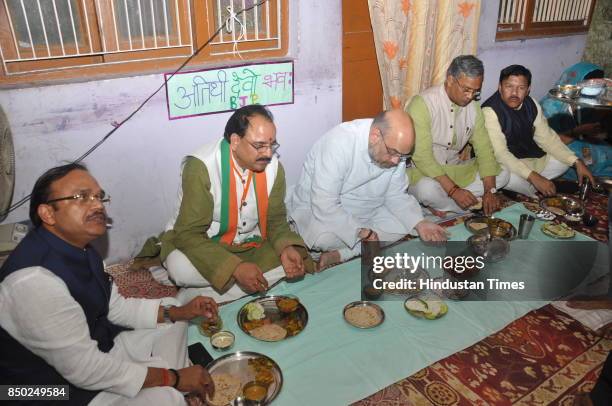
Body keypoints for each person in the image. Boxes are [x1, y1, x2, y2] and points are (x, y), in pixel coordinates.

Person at [0, 163, 218, 405]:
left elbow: (116, 308)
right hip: (47, 391)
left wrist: (180, 312)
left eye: (98, 196)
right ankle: (174, 387)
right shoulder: (33, 282)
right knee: (165, 398)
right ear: (48, 214)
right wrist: (172, 378)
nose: (97, 205)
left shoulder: (82, 249)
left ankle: (168, 383)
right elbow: (84, 370)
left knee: (173, 312)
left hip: (98, 349)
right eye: (81, 197)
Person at [141, 105, 313, 302]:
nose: (267, 153)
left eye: (272, 145)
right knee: (180, 270)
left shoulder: (274, 168)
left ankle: (205, 294)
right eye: (259, 145)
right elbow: (188, 233)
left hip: (249, 242)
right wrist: (234, 267)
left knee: (294, 258)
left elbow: (275, 220)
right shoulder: (201, 167)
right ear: (235, 140)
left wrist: (285, 248)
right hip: (203, 242)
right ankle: (232, 281)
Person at [286, 110, 448, 269]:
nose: (395, 161)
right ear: (375, 136)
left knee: (403, 226)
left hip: (368, 209)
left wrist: (420, 223)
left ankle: (341, 254)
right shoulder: (339, 143)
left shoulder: (395, 152)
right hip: (322, 210)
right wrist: (364, 233)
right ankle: (354, 246)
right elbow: (324, 203)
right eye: (393, 153)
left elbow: (395, 195)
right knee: (324, 239)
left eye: (403, 157)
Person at [405, 55, 509, 216]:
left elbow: (484, 150)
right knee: (426, 190)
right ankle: (465, 208)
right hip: (426, 174)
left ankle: (445, 205)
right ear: (450, 80)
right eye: (466, 89)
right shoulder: (422, 104)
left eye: (475, 91)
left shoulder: (474, 108)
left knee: (503, 173)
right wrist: (454, 190)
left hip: (456, 170)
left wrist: (491, 191)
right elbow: (422, 157)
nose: (470, 96)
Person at [482, 64, 594, 197]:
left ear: (528, 89)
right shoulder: (490, 111)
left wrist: (577, 162)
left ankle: (527, 188)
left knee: (564, 161)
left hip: (529, 159)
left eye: (521, 88)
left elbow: (548, 139)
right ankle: (532, 188)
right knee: (503, 175)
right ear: (500, 87)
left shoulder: (532, 104)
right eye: (509, 86)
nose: (514, 93)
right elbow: (500, 154)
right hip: (504, 164)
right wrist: (534, 177)